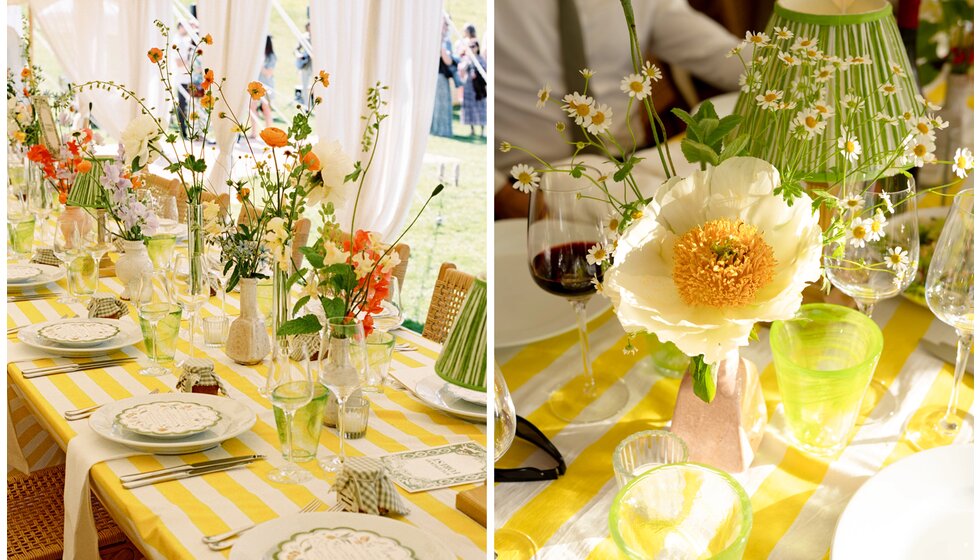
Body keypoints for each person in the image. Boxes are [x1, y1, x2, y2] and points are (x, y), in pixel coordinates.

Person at [494, 0, 744, 218]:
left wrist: (778, 62)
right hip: (525, 189)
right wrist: (502, 195)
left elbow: (725, 57)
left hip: (627, 174)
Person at [430, 15, 455, 138]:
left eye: (446, 24)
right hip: (432, 75)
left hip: (441, 76)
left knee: (442, 104)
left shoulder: (447, 42)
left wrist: (442, 46)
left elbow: (448, 61)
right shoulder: (432, 38)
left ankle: (442, 129)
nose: (445, 27)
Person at [458, 35, 487, 137]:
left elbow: (485, 71)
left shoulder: (481, 59)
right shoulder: (467, 59)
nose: (472, 48)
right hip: (469, 86)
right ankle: (472, 129)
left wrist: (477, 74)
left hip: (478, 88)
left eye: (474, 46)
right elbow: (461, 70)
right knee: (470, 108)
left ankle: (482, 130)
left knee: (480, 108)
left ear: (478, 47)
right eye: (470, 46)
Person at [251, 36, 276, 132]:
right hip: (256, 86)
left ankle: (269, 131)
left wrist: (259, 65)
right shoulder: (256, 55)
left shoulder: (271, 57)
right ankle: (254, 132)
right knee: (252, 107)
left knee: (266, 108)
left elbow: (268, 73)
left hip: (267, 86)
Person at [294, 23, 312, 107]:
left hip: (316, 65)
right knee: (305, 86)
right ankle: (307, 106)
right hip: (305, 65)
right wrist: (299, 55)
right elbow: (296, 49)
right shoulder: (304, 37)